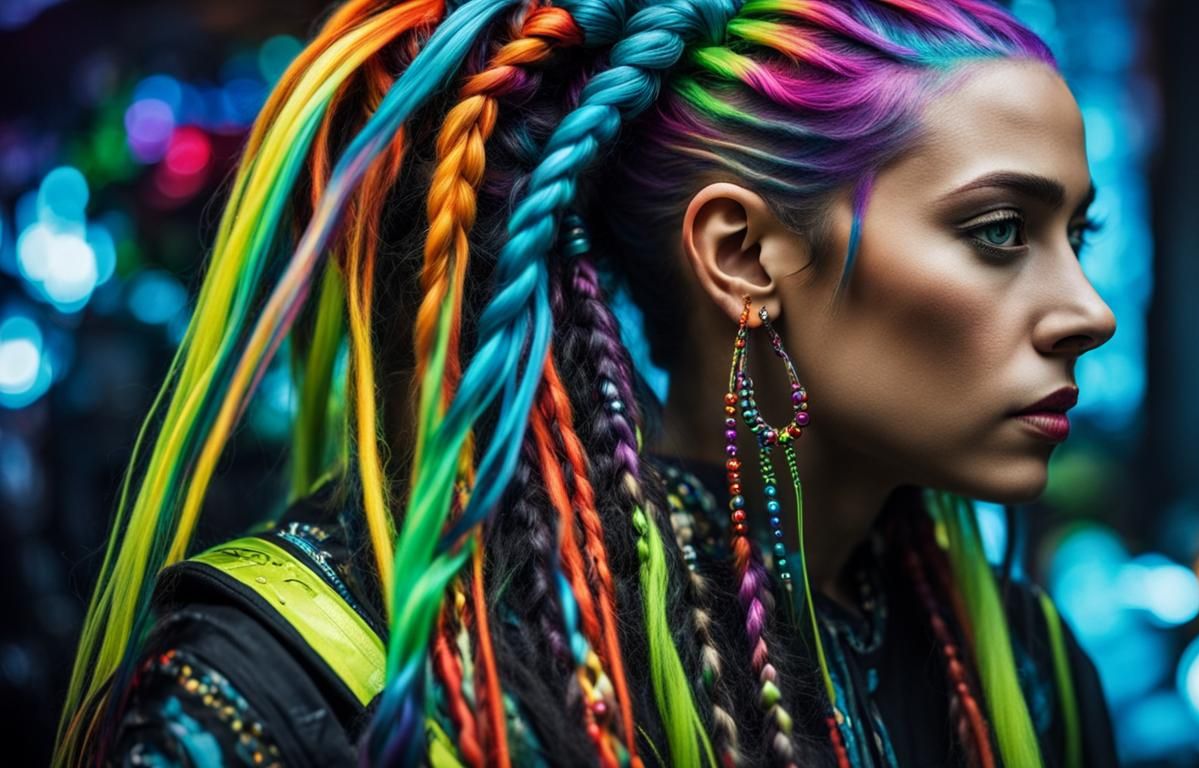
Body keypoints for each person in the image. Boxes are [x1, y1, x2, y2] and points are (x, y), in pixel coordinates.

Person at [53, 0, 1120, 765]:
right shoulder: (330, 666)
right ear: (745, 257)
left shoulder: (1028, 676)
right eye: (998, 231)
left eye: (1078, 234)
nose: (1089, 310)